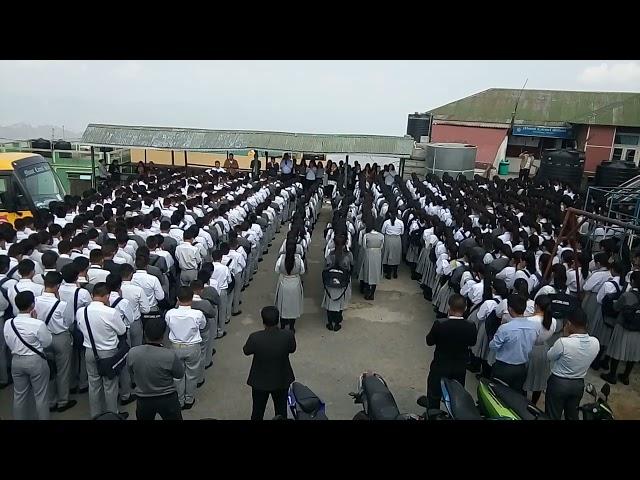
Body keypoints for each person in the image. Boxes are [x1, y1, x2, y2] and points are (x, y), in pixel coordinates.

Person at [75, 282, 128, 419]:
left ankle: (96, 415)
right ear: (107, 296)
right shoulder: (111, 312)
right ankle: (112, 414)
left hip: (89, 350)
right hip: (108, 352)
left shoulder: (81, 311)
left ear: (92, 295)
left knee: (93, 384)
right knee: (110, 385)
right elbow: (122, 330)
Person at [3, 291, 52, 420]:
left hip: (17, 360)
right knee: (41, 395)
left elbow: (8, 341)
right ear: (32, 305)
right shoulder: (38, 324)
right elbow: (47, 342)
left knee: (19, 395)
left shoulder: (9, 323)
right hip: (35, 361)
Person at [243, 306, 296, 420]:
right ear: (278, 320)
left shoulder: (255, 337)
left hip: (260, 381)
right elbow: (292, 349)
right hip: (281, 378)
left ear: (263, 321)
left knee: (257, 411)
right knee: (281, 411)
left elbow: (246, 351)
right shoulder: (288, 335)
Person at [425, 294, 477, 410]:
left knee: (434, 394)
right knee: (457, 395)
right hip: (460, 366)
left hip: (440, 364)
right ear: (464, 309)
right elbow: (472, 343)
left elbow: (429, 341)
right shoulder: (471, 325)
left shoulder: (440, 324)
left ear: (449, 308)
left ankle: (433, 414)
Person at [546, 309, 599, 420]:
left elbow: (549, 356)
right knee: (572, 416)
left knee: (552, 415)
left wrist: (566, 336)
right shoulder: (595, 342)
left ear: (569, 324)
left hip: (558, 384)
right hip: (578, 384)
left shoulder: (563, 342)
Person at [127, 316, 184, 420]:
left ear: (144, 333)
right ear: (163, 336)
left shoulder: (133, 352)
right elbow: (179, 374)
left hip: (143, 399)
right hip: (167, 398)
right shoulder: (169, 355)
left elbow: (131, 372)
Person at [36, 271, 77, 413]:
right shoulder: (62, 304)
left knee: (49, 371)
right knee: (63, 370)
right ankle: (63, 401)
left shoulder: (35, 300)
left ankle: (51, 400)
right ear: (57, 286)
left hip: (42, 337)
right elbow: (69, 321)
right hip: (60, 337)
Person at [165, 286, 206, 410]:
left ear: (177, 298)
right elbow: (203, 326)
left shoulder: (170, 313)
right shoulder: (197, 314)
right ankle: (189, 399)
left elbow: (168, 325)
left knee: (177, 376)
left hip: (175, 347)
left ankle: (179, 400)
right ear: (192, 298)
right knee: (192, 374)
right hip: (192, 347)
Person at [488, 294, 539, 393]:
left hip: (503, 367)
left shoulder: (505, 328)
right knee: (515, 395)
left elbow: (493, 346)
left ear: (510, 309)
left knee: (497, 393)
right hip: (521, 367)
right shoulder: (534, 327)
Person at [600, 270, 640, 385]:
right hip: (637, 329)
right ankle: (626, 376)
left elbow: (616, 308)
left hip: (622, 325)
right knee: (633, 354)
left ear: (632, 281)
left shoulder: (627, 295)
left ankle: (612, 375)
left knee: (616, 351)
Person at [322, 234, 353, 331]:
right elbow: (351, 266)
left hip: (330, 283)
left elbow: (325, 267)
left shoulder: (330, 254)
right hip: (342, 282)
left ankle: (330, 322)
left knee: (330, 303)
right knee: (340, 303)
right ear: (345, 243)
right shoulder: (348, 255)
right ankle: (337, 323)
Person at [274, 241, 305, 332]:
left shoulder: (281, 258)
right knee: (293, 305)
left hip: (284, 282)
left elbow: (277, 270)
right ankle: (292, 327)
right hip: (295, 283)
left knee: (283, 305)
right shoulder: (299, 259)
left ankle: (283, 326)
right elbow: (302, 271)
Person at [358, 220, 384, 301]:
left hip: (368, 254)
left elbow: (364, 246)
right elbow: (382, 246)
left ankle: (367, 293)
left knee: (366, 272)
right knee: (375, 273)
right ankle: (372, 294)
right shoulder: (381, 236)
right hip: (377, 255)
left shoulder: (366, 235)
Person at [381, 209, 404, 279]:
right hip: (397, 240)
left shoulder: (386, 222)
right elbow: (402, 232)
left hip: (388, 239)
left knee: (388, 255)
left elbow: (383, 231)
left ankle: (388, 274)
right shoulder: (400, 222)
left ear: (390, 214)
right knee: (396, 256)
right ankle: (395, 273)